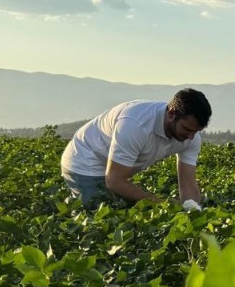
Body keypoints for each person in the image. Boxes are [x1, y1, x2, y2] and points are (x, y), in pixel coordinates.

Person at [60, 88, 211, 208]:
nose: (191, 137)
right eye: (187, 129)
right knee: (98, 217)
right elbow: (114, 181)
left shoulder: (191, 138)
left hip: (114, 169)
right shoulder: (135, 125)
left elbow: (188, 184)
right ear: (171, 114)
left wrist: (194, 213)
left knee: (127, 211)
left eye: (196, 131)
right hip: (85, 161)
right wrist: (162, 203)